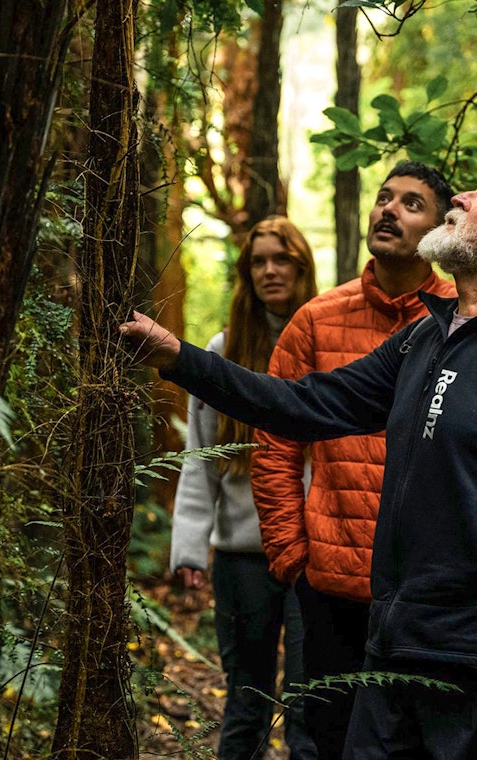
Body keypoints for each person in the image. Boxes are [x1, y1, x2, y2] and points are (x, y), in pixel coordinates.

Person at [122, 168, 477, 759]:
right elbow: (303, 404)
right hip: (394, 648)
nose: (463, 197)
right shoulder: (422, 339)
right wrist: (179, 358)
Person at [250, 161, 456, 758]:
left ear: (442, 229)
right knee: (331, 740)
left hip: (427, 591)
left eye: (411, 203)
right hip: (332, 583)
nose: (388, 210)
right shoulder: (316, 319)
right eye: (383, 198)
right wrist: (291, 552)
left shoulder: (467, 319)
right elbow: (275, 442)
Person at [169, 216, 319, 760]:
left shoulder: (328, 341)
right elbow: (201, 460)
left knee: (311, 704)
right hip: (242, 558)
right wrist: (189, 546)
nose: (270, 271)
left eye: (282, 259)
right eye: (259, 261)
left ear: (303, 268)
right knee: (246, 704)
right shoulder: (223, 348)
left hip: (315, 557)